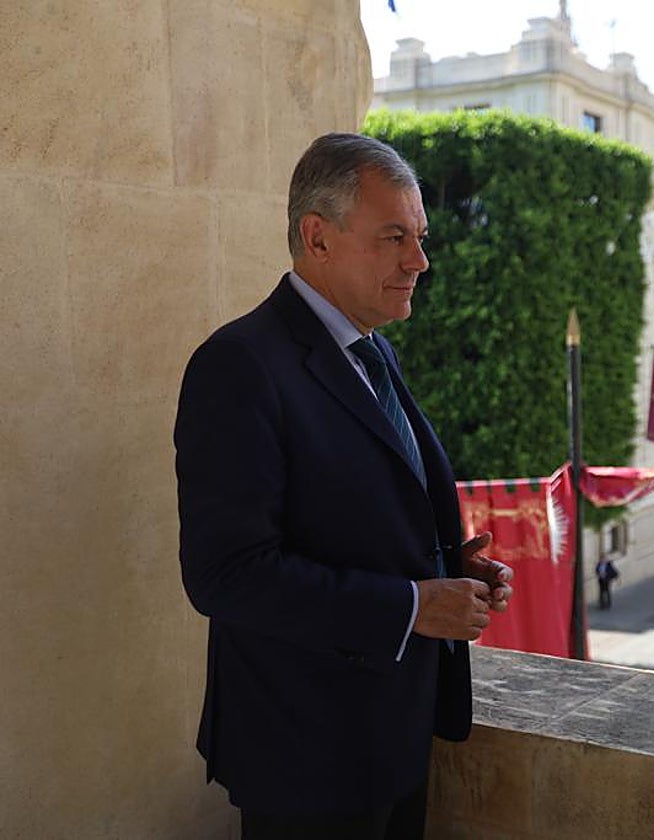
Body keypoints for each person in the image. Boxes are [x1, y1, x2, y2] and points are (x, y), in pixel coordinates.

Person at [175, 133, 514, 839]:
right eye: (394, 237)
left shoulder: (373, 347)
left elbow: (353, 517)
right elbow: (226, 576)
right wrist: (411, 606)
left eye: (419, 237)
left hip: (393, 735)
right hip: (305, 756)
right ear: (316, 238)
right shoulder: (238, 366)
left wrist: (449, 572)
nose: (419, 261)